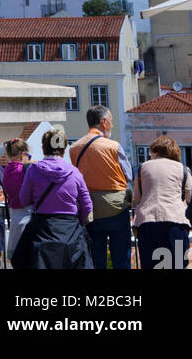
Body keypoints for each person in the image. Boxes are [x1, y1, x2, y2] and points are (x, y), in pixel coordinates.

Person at [15, 127, 93, 269]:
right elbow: (87, 206)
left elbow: (24, 199)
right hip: (71, 233)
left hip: (42, 230)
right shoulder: (75, 173)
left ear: (44, 149)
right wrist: (77, 221)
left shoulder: (33, 170)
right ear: (64, 151)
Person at [70, 107, 133, 270]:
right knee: (121, 257)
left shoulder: (74, 148)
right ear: (103, 122)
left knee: (96, 258)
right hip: (115, 207)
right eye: (111, 122)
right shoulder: (113, 146)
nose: (112, 126)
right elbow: (129, 175)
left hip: (89, 208)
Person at [133, 135, 192, 270]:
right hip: (176, 224)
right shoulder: (183, 169)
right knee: (177, 265)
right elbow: (189, 197)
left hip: (147, 225)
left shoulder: (143, 168)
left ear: (156, 151)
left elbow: (137, 198)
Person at [2, 138, 33, 261]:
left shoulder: (6, 170)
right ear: (22, 154)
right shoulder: (26, 170)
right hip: (27, 213)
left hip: (14, 214)